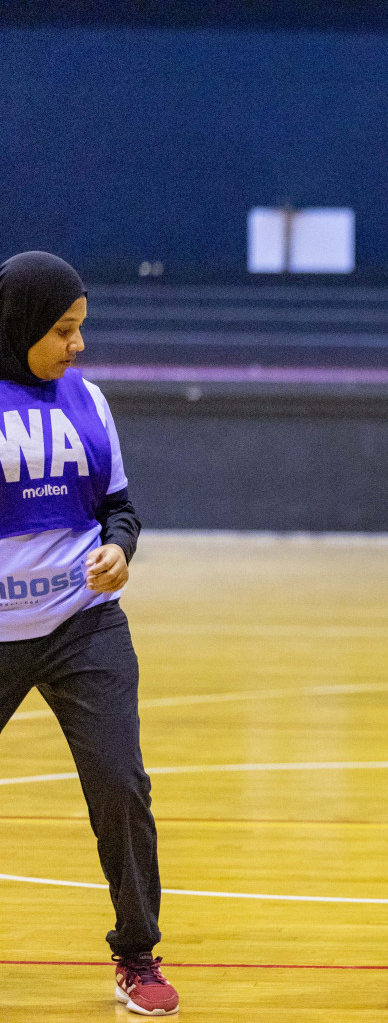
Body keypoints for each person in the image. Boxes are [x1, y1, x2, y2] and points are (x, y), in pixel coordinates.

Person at [0, 252, 178, 1016]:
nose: (78, 345)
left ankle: (137, 956)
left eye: (81, 328)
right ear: (18, 327)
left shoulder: (90, 402)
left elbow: (121, 508)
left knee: (121, 786)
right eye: (64, 330)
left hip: (83, 626)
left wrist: (120, 549)